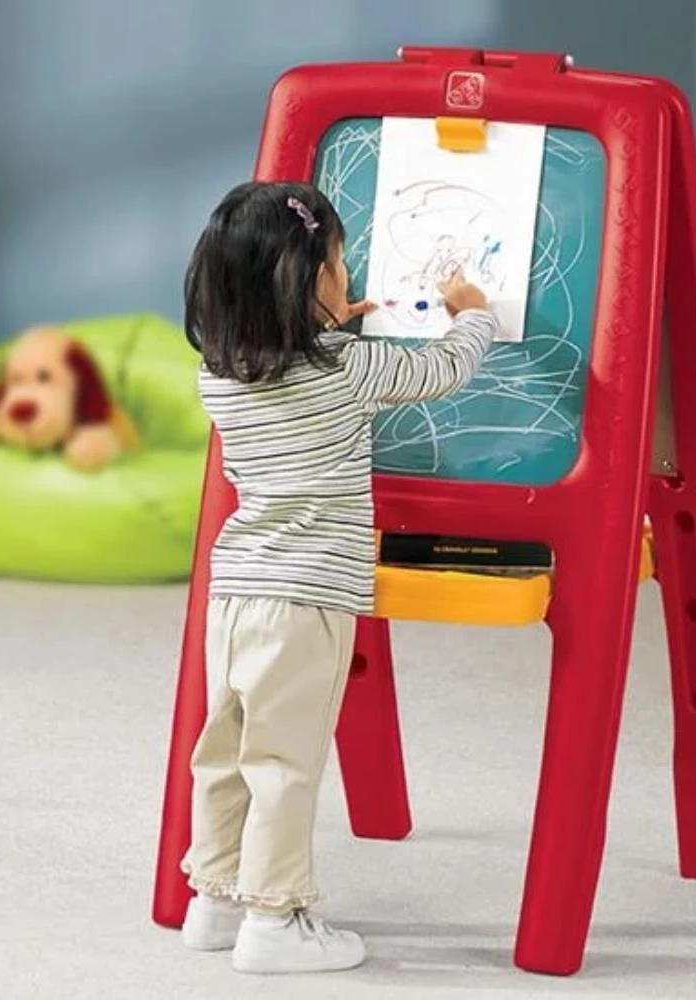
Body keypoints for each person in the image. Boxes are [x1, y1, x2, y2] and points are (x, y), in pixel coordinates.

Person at [178, 180, 498, 975]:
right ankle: (274, 921)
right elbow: (441, 370)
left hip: (237, 591)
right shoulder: (352, 369)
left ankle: (214, 901)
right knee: (285, 764)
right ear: (308, 280)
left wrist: (320, 327)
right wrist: (474, 313)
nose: (349, 277)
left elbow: (293, 377)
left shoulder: (219, 376)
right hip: (307, 598)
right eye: (339, 265)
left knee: (227, 751)